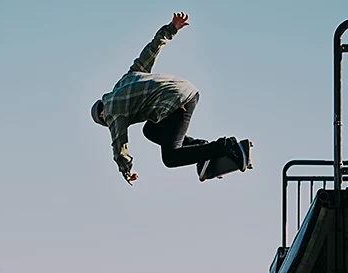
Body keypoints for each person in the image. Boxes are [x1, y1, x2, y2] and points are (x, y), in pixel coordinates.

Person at [90, 12, 249, 185]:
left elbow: (119, 145)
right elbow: (150, 52)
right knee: (150, 130)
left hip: (176, 101)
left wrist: (127, 171)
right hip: (183, 90)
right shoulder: (126, 80)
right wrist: (171, 29)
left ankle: (226, 146)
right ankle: (203, 149)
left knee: (171, 157)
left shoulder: (112, 112)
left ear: (102, 115)